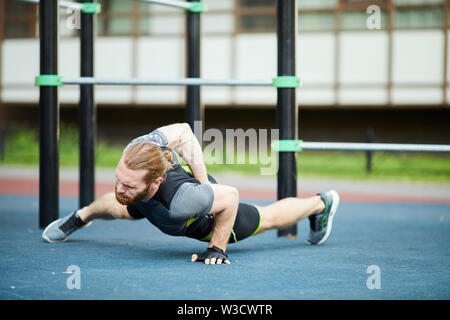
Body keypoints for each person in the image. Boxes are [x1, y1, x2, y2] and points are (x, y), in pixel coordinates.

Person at [42, 123, 340, 265]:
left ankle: (320, 203)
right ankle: (79, 217)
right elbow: (184, 131)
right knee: (119, 205)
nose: (120, 186)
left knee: (269, 217)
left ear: (155, 183)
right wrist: (200, 179)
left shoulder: (183, 201)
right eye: (119, 178)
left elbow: (232, 196)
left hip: (203, 221)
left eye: (130, 185)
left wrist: (217, 248)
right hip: (167, 199)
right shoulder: (139, 149)